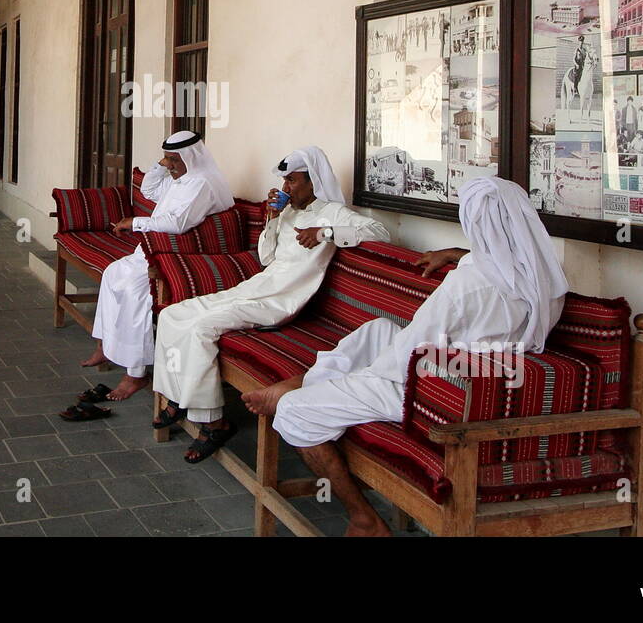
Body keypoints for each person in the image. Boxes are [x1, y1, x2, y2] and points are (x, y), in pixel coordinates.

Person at [241, 176, 569, 536]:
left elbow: (410, 350)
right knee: (378, 328)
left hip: (436, 392)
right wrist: (456, 254)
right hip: (479, 374)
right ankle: (308, 382)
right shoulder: (544, 278)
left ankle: (364, 518)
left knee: (294, 413)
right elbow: (493, 265)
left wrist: (365, 377)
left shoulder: (467, 285)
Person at [151, 146, 391, 464]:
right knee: (172, 313)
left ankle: (213, 422)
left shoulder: (332, 212)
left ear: (313, 180)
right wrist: (273, 218)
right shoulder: (289, 210)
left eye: (292, 180)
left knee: (202, 327)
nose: (286, 188)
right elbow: (266, 258)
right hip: (256, 288)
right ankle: (175, 397)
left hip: (281, 301)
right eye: (284, 181)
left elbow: (380, 232)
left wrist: (325, 233)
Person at [76, 131, 233, 403]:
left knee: (134, 291)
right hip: (156, 249)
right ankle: (106, 345)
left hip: (179, 257)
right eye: (168, 159)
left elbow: (177, 224)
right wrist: (162, 164)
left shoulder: (202, 183)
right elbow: (148, 190)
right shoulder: (182, 179)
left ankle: (135, 373)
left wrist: (133, 223)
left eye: (174, 159)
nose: (169, 165)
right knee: (113, 273)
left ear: (191, 157)